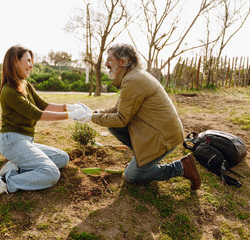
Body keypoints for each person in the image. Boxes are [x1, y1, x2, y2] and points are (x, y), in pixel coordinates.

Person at [77, 43, 201, 190]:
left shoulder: (133, 80)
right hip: (155, 132)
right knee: (112, 126)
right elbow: (117, 109)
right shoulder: (132, 76)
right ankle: (145, 162)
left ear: (123, 61)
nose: (106, 64)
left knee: (132, 176)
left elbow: (121, 118)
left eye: (110, 59)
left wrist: (91, 118)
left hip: (163, 136)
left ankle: (181, 167)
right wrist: (93, 113)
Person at [0, 44, 86, 202]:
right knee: (52, 173)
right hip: (12, 142)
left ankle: (15, 166)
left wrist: (69, 106)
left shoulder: (24, 85)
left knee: (62, 158)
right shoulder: (9, 92)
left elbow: (44, 105)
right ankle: (5, 181)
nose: (31, 65)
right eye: (28, 61)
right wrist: (70, 116)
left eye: (31, 61)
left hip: (25, 141)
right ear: (15, 63)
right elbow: (37, 114)